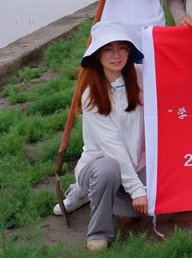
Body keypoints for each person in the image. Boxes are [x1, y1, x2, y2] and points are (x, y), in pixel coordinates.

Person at [53, 21, 148, 252]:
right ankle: (98, 231)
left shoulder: (139, 75)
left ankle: (104, 196)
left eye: (122, 48)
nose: (117, 55)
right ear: (97, 54)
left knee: (137, 213)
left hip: (135, 163)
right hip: (102, 164)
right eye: (108, 49)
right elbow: (113, 147)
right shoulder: (92, 95)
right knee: (108, 169)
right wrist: (136, 190)